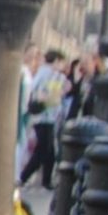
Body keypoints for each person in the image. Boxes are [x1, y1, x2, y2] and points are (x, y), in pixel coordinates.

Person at [21, 47, 70, 186]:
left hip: (47, 115)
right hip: (44, 116)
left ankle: (46, 180)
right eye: (61, 62)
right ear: (56, 61)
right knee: (43, 149)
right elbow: (37, 90)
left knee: (49, 151)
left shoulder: (49, 73)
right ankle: (24, 177)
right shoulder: (47, 73)